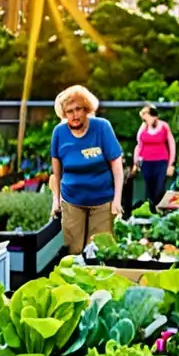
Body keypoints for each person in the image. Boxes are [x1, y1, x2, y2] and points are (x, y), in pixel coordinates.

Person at [49, 85, 125, 255]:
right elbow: (56, 173)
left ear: (87, 109)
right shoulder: (59, 133)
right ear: (64, 114)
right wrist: (56, 199)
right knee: (73, 251)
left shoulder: (102, 127)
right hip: (72, 200)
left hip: (102, 201)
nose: (74, 115)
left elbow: (117, 166)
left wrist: (117, 200)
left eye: (78, 109)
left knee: (99, 252)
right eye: (69, 111)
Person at [132, 105, 177, 206]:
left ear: (154, 116)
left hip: (161, 160)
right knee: (149, 187)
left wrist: (171, 163)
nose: (144, 120)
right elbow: (139, 145)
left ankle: (160, 208)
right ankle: (150, 209)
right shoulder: (143, 128)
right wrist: (136, 162)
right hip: (146, 161)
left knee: (159, 187)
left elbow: (171, 144)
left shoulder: (164, 126)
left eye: (146, 116)